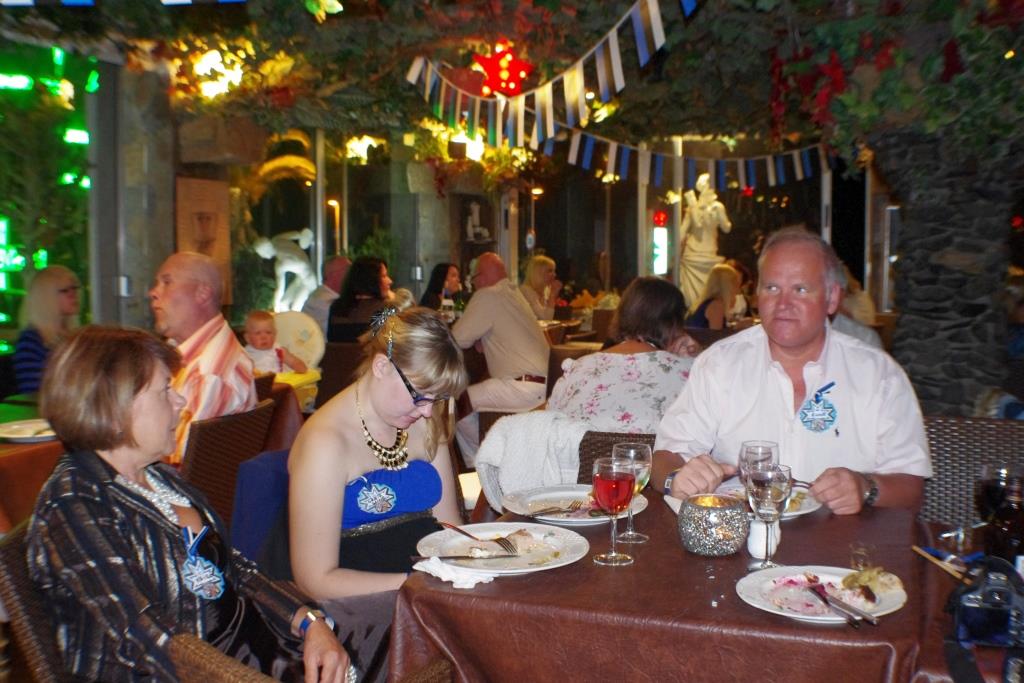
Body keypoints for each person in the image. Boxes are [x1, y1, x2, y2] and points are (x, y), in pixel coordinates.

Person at [27, 326, 349, 683]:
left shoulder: (158, 476)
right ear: (115, 407)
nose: (180, 401)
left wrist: (309, 621)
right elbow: (142, 633)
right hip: (189, 672)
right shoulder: (76, 502)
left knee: (370, 636)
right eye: (165, 389)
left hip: (248, 649)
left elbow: (237, 569)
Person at [654, 227, 931, 515]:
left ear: (832, 298)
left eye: (800, 289)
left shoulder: (878, 374)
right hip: (739, 536)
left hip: (842, 538)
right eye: (772, 288)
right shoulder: (720, 363)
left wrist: (865, 487)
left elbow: (911, 487)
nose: (783, 304)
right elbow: (664, 458)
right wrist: (677, 478)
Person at [548, 277, 696, 433]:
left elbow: (548, 424)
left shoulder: (578, 369)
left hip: (578, 449)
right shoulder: (689, 373)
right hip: (655, 450)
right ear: (674, 323)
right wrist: (697, 357)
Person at [149, 251, 256, 464]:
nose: (153, 292)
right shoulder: (183, 351)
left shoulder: (208, 376)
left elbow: (173, 462)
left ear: (202, 293)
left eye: (167, 282)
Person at [451, 252, 550, 465]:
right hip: (545, 387)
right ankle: (493, 459)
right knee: (475, 397)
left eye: (474, 279)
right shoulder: (515, 295)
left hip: (520, 388)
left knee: (457, 404)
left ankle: (481, 464)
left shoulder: (487, 295)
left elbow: (456, 339)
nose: (474, 285)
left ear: (482, 277)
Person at [13, 265, 81, 394]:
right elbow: (34, 391)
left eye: (74, 288)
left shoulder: (75, 336)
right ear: (46, 297)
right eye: (65, 290)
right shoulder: (30, 341)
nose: (73, 295)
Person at [678, 172, 732, 309]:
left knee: (707, 292)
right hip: (695, 254)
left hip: (706, 253)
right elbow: (681, 233)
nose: (710, 188)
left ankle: (698, 314)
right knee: (697, 295)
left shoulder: (716, 207)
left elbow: (726, 228)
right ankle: (696, 314)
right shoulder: (693, 208)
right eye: (707, 185)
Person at [327, 256, 393, 343]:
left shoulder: (336, 307)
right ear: (370, 280)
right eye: (384, 276)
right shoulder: (384, 309)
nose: (390, 281)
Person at [253, 228, 319, 312]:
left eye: (261, 254)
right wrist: (304, 239)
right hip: (299, 280)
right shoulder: (277, 240)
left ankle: (293, 319)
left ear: (265, 252)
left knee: (295, 308)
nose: (263, 257)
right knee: (283, 303)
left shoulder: (281, 265)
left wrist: (276, 309)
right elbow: (297, 234)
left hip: (309, 283)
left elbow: (280, 289)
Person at [243, 310, 309, 374]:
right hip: (259, 381)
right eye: (258, 333)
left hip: (279, 380)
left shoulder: (279, 350)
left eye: (268, 332)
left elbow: (293, 362)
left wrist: (300, 367)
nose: (264, 337)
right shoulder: (245, 354)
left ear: (275, 335)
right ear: (248, 338)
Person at [303, 256, 352, 335]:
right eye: (348, 269)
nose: (352, 274)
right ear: (334, 275)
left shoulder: (320, 294)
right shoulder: (325, 301)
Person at [684, 263, 740, 330]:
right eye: (735, 284)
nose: (738, 289)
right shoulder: (716, 305)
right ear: (727, 286)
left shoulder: (708, 302)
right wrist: (738, 327)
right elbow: (716, 334)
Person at [519, 254, 563, 320]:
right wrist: (552, 295)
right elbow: (545, 318)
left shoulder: (546, 290)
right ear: (538, 272)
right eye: (550, 271)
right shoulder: (526, 291)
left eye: (554, 271)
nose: (554, 274)